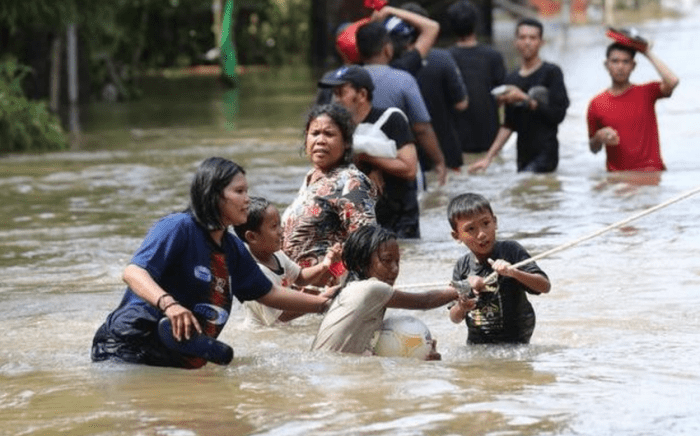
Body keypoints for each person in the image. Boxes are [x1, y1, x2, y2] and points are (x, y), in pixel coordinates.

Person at [91, 157, 332, 369]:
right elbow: (133, 272)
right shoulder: (177, 226)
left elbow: (269, 294)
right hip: (127, 349)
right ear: (213, 195)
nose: (247, 200)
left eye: (247, 191)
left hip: (179, 356)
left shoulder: (233, 248)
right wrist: (170, 305)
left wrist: (325, 304)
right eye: (239, 192)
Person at [311, 224, 459, 359]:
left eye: (397, 261)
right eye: (386, 261)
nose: (395, 269)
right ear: (360, 263)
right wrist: (462, 288)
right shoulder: (372, 289)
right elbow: (425, 301)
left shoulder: (349, 289)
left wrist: (419, 354)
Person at [319, 65, 421, 238]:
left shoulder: (391, 119)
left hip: (400, 217)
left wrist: (366, 158)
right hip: (361, 218)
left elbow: (410, 169)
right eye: (334, 94)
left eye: (341, 92)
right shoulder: (336, 129)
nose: (335, 100)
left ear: (362, 95)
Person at [282, 104, 378, 283]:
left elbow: (366, 244)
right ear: (306, 139)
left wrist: (333, 276)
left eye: (329, 134)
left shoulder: (351, 181)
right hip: (298, 290)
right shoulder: (312, 176)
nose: (320, 140)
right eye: (315, 133)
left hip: (327, 292)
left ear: (346, 142)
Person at [447, 193, 551, 344]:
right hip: (478, 344)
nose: (482, 234)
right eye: (470, 229)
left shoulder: (511, 250)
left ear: (495, 222)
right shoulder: (462, 267)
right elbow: (454, 317)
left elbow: (544, 286)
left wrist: (514, 273)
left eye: (486, 223)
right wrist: (462, 307)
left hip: (517, 343)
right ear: (457, 236)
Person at [468, 18, 569, 173]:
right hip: (522, 157)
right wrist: (488, 158)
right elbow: (509, 124)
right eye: (522, 38)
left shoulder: (552, 73)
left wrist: (525, 99)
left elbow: (558, 115)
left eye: (532, 38)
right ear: (515, 42)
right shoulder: (512, 79)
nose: (527, 42)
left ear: (541, 42)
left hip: (546, 155)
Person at [356, 20, 447, 186]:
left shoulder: (343, 83)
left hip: (355, 167)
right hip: (397, 166)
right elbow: (422, 129)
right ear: (387, 49)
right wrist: (439, 162)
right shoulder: (403, 80)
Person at [233, 197, 343, 327]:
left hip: (279, 328)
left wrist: (325, 265)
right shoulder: (256, 272)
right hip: (262, 334)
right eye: (274, 227)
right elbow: (282, 316)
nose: (281, 231)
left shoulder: (277, 255)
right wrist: (320, 299)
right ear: (252, 237)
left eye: (280, 224)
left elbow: (300, 277)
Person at [586, 41, 680, 171]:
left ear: (633, 66)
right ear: (606, 65)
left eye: (626, 62)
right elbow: (593, 148)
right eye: (615, 61)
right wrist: (599, 137)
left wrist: (647, 52)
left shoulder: (647, 92)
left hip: (652, 174)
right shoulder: (596, 104)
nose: (620, 67)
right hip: (618, 179)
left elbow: (673, 81)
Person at [400, 2, 469, 171]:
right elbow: (461, 103)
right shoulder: (443, 58)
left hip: (405, 157)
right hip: (446, 151)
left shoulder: (392, 64)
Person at [447, 0, 506, 154]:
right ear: (476, 23)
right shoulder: (493, 56)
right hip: (490, 139)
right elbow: (502, 97)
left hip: (456, 140)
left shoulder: (445, 58)